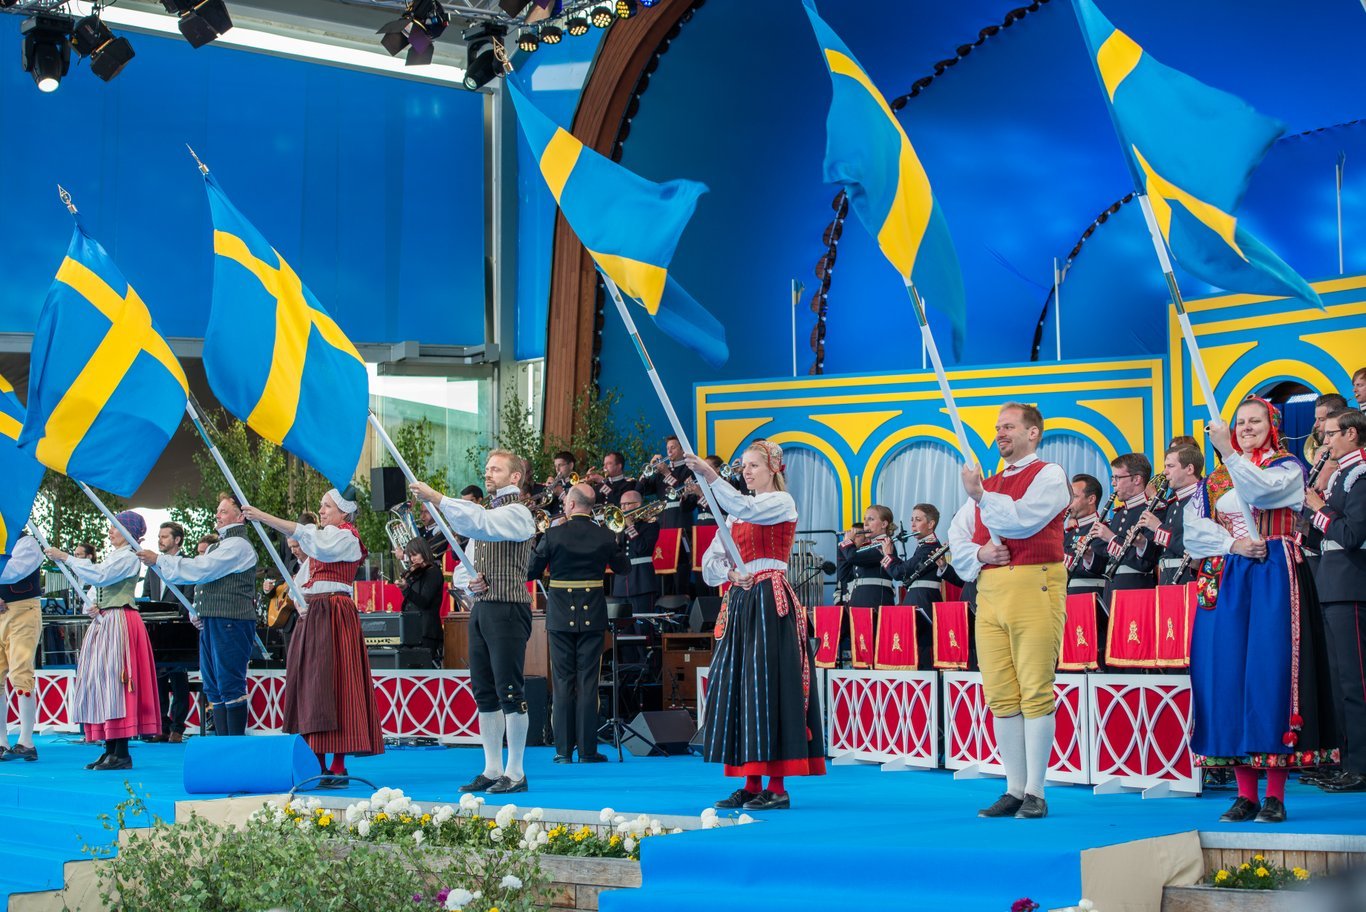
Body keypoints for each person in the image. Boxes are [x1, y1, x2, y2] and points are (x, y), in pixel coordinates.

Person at [1191, 397, 1338, 823]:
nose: (1246, 427)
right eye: (1239, 422)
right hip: (1231, 572)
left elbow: (1260, 490)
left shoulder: (1288, 467)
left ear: (1272, 426)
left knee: (1271, 676)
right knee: (1229, 676)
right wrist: (1231, 544)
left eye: (1255, 421)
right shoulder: (1216, 479)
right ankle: (1243, 793)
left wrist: (1230, 453)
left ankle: (1275, 793)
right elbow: (1195, 531)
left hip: (1275, 573)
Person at [686, 441, 825, 811]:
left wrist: (710, 476)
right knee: (740, 689)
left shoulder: (780, 503)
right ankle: (749, 783)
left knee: (770, 687)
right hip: (742, 601)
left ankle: (776, 787)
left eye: (753, 466)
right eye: (743, 466)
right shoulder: (734, 513)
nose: (746, 472)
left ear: (773, 469)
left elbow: (744, 505)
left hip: (769, 601)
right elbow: (710, 559)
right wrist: (730, 572)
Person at [947, 403, 1070, 820]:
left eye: (1010, 427)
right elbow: (957, 533)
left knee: (1035, 688)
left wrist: (981, 495)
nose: (1001, 433)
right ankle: (1014, 788)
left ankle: (1036, 790)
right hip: (991, 590)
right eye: (998, 427)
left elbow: (1024, 522)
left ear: (1033, 433)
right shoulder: (990, 483)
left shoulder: (1049, 475)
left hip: (1034, 583)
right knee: (1000, 693)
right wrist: (980, 551)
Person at [412, 449, 537, 794]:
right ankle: (492, 768)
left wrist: (437, 498)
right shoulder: (486, 514)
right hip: (482, 609)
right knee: (485, 692)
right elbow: (465, 571)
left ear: (515, 477)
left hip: (509, 607)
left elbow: (482, 524)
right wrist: (473, 581)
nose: (488, 473)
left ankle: (516, 772)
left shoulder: (519, 513)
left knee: (510, 690)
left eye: (495, 469)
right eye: (486, 469)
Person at [244, 490, 384, 787]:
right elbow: (298, 583)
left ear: (344, 512)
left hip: (334, 612)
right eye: (320, 505)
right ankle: (319, 762)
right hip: (316, 614)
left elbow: (315, 542)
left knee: (337, 685)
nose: (321, 510)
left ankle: (338, 765)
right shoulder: (323, 542)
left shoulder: (345, 537)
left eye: (327, 506)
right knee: (311, 685)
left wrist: (265, 517)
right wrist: (301, 603)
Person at [47, 513, 161, 770]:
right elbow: (96, 584)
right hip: (106, 620)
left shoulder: (130, 557)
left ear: (128, 531)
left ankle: (121, 752)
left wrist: (67, 557)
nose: (110, 531)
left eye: (115, 527)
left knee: (117, 682)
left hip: (120, 620)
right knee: (102, 682)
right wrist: (93, 604)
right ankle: (110, 748)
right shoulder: (116, 556)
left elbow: (101, 576)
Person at [140, 494, 259, 737]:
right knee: (214, 684)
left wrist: (160, 560)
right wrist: (199, 610)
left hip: (231, 620)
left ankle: (232, 744)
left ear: (240, 516)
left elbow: (203, 569)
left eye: (224, 511)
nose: (218, 515)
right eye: (218, 511)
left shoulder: (238, 545)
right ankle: (223, 742)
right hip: (214, 620)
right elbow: (203, 576)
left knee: (229, 683)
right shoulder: (221, 545)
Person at [527, 483, 628, 763]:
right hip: (593, 614)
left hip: (560, 615)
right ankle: (587, 750)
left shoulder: (553, 534)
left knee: (562, 681)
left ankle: (562, 751)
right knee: (587, 682)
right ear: (591, 506)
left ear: (570, 505)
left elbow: (531, 570)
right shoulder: (605, 534)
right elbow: (623, 568)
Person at [1303, 409, 1366, 792]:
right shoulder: (1343, 474)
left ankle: (1360, 765)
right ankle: (1345, 760)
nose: (1325, 443)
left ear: (1352, 435)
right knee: (1338, 681)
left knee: (1355, 682)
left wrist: (1318, 508)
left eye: (1330, 435)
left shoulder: (1361, 476)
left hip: (1352, 585)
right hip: (1332, 583)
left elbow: (1353, 534)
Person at [1138, 446, 1225, 586]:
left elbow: (1193, 544)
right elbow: (1162, 552)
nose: (1165, 472)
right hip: (1167, 577)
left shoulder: (1203, 498)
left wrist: (1158, 528)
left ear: (1190, 469)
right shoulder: (1174, 502)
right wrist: (1142, 543)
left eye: (1170, 466)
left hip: (1190, 578)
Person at [141, 521, 194, 744]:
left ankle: (177, 727)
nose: (160, 540)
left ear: (177, 540)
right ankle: (161, 726)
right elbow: (146, 597)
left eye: (164, 537)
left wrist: (175, 617)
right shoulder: (152, 569)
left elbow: (189, 596)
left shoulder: (187, 563)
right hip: (157, 631)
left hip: (179, 630)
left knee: (179, 679)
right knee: (158, 680)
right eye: (159, 536)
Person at [883, 504, 952, 669]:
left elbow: (900, 572)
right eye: (912, 520)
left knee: (922, 652)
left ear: (930, 524)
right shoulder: (923, 547)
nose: (912, 524)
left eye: (918, 520)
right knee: (914, 651)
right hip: (918, 597)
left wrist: (889, 554)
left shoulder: (930, 548)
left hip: (924, 601)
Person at [0, 531, 46, 761]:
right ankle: (1, 741)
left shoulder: (27, 543)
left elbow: (12, 572)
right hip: (3, 612)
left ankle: (26, 740)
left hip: (23, 610)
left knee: (20, 672)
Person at [636, 435, 698, 597]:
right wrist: (647, 471)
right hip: (662, 529)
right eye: (668, 448)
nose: (669, 451)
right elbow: (638, 491)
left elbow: (688, 499)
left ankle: (681, 613)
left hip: (680, 527)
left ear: (682, 450)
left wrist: (666, 473)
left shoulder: (688, 470)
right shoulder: (658, 473)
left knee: (680, 572)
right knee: (662, 573)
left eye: (673, 448)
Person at [837, 506, 899, 611]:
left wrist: (847, 543)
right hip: (859, 599)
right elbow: (843, 575)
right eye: (865, 519)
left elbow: (852, 557)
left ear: (884, 524)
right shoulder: (867, 546)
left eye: (871, 519)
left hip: (875, 600)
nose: (865, 524)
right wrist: (842, 546)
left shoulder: (884, 545)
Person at [611, 488, 660, 618]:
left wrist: (630, 527)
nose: (622, 508)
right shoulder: (620, 526)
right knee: (623, 629)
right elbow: (615, 554)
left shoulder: (650, 524)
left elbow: (642, 548)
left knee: (643, 627)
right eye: (621, 505)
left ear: (637, 505)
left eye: (626, 504)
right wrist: (615, 536)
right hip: (621, 583)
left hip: (641, 581)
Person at [400, 537, 446, 665]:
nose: (412, 559)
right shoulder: (419, 573)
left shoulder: (433, 573)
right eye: (410, 556)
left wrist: (406, 589)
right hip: (414, 629)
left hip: (427, 630)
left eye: (415, 554)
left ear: (424, 552)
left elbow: (424, 602)